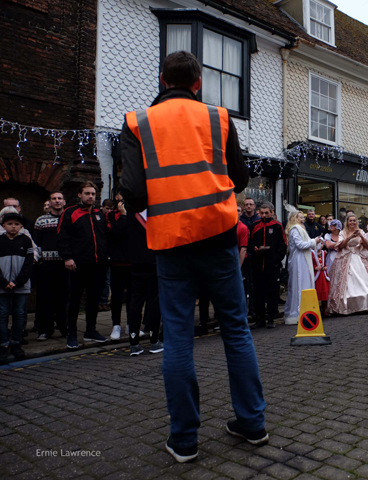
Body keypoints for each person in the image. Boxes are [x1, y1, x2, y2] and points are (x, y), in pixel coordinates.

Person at [120, 51, 268, 462]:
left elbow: (131, 192)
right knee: (236, 330)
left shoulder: (137, 122)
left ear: (162, 79)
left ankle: (184, 440)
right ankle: (252, 424)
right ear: (198, 83)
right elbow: (239, 178)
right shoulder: (219, 118)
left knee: (179, 338)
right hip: (219, 235)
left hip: (171, 241)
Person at [57, 182, 110, 347]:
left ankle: (90, 330)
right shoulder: (70, 212)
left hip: (98, 264)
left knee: (94, 299)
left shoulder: (99, 214)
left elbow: (105, 236)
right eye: (87, 193)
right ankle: (71, 334)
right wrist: (67, 257)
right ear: (79, 195)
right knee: (74, 300)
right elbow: (62, 237)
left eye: (93, 194)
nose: (90, 197)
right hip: (78, 264)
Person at [113, 207, 163, 356]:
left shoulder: (129, 215)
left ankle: (134, 343)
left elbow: (120, 235)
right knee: (154, 301)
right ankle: (154, 341)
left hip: (135, 263)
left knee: (135, 301)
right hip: (154, 261)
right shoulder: (157, 212)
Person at [327, 213, 368, 315]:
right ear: (347, 222)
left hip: (358, 257)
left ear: (357, 222)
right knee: (347, 284)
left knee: (363, 282)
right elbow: (340, 246)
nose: (352, 222)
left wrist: (361, 236)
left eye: (354, 220)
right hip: (346, 257)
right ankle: (346, 307)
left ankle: (364, 305)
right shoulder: (343, 233)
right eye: (350, 220)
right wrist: (350, 237)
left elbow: (367, 246)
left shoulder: (361, 231)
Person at [34, 192, 68, 341]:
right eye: (54, 198)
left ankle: (64, 328)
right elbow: (36, 243)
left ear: (64, 201)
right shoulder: (41, 220)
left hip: (65, 265)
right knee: (45, 299)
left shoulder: (69, 219)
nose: (57, 201)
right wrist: (39, 260)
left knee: (63, 298)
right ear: (50, 202)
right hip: (47, 265)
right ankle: (45, 330)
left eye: (59, 198)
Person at [0, 209, 33, 361]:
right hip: (2, 286)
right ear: (3, 225)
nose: (13, 227)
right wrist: (4, 282)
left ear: (21, 227)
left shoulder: (26, 241)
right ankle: (3, 343)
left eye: (16, 224)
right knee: (2, 313)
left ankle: (16, 342)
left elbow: (28, 264)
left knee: (20, 314)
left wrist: (18, 282)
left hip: (21, 285)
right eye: (10, 224)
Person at [249, 203, 286, 329]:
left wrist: (276, 260)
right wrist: (254, 249)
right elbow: (250, 243)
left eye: (267, 213)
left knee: (272, 292)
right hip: (258, 264)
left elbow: (283, 245)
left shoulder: (277, 226)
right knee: (258, 293)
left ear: (272, 212)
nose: (264, 215)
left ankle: (271, 318)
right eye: (262, 213)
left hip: (272, 266)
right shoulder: (254, 226)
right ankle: (260, 318)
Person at [285, 209, 322, 324]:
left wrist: (315, 242)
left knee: (304, 283)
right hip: (298, 260)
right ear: (295, 218)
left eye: (303, 217)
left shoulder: (299, 228)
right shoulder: (295, 229)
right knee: (299, 283)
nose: (303, 219)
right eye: (301, 217)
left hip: (303, 259)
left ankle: (305, 309)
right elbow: (300, 245)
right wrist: (314, 241)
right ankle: (297, 311)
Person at [108, 192, 133, 340]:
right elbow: (117, 232)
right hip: (117, 262)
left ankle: (131, 324)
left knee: (133, 296)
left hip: (132, 261)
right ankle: (116, 325)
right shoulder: (111, 215)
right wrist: (123, 215)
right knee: (116, 297)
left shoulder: (135, 214)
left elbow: (131, 233)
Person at [311, 241, 330, 314]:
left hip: (323, 275)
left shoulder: (323, 253)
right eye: (319, 244)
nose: (320, 245)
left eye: (322, 244)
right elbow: (311, 264)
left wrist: (325, 267)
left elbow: (324, 262)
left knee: (325, 293)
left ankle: (324, 309)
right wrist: (315, 267)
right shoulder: (312, 253)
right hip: (316, 276)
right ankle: (315, 310)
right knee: (317, 292)